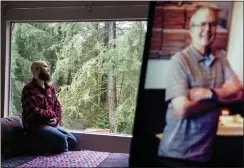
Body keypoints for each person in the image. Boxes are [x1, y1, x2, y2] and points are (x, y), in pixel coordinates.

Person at [157, 7, 243, 167]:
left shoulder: (221, 57)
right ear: (191, 29)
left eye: (212, 24)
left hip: (204, 155)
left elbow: (239, 93)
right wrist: (221, 97)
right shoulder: (179, 61)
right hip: (175, 155)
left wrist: (206, 93)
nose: (207, 30)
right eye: (202, 24)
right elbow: (181, 110)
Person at [21, 61, 77, 154]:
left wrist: (56, 118)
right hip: (37, 126)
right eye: (45, 67)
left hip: (52, 124)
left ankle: (45, 149)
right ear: (37, 70)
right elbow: (34, 111)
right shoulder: (28, 88)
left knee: (72, 141)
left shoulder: (50, 88)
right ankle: (62, 161)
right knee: (63, 140)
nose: (48, 69)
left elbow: (57, 106)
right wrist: (52, 114)